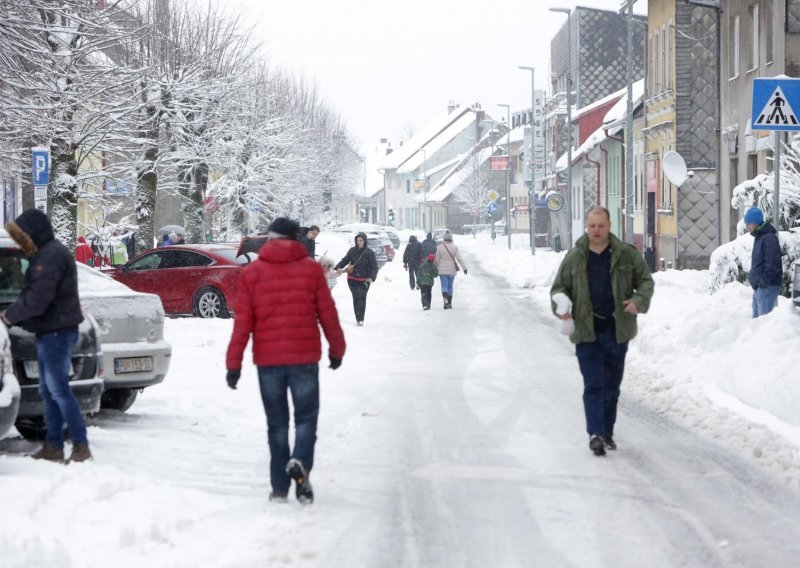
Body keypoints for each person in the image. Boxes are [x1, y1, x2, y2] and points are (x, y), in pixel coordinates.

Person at [225, 217, 346, 505]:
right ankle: (301, 461)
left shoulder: (252, 273)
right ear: (296, 240)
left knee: (277, 424)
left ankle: (279, 487)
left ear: (270, 239)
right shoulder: (311, 271)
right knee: (306, 418)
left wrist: (234, 364)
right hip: (304, 359)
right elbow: (327, 312)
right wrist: (337, 349)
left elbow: (243, 323)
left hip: (268, 362)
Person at [550, 206, 654, 457]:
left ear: (609, 226)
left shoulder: (625, 255)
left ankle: (607, 430)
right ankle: (595, 433)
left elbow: (645, 281)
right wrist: (561, 307)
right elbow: (557, 289)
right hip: (587, 332)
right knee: (593, 383)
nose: (596, 230)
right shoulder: (575, 256)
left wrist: (638, 302)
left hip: (617, 330)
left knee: (612, 385)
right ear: (587, 226)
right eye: (592, 225)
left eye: (601, 225)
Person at [1, 209, 92, 463]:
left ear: (33, 232)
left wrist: (8, 316)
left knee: (59, 390)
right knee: (50, 390)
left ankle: (80, 446)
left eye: (22, 235)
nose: (20, 241)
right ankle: (53, 445)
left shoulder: (50, 256)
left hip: (57, 333)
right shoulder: (46, 253)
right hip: (50, 331)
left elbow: (38, 298)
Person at [744, 207, 783, 318]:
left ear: (756, 222)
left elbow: (773, 264)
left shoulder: (768, 238)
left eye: (749, 223)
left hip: (766, 287)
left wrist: (763, 282)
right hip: (760, 288)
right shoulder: (760, 237)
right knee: (756, 325)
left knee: (763, 325)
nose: (747, 226)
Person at [334, 232, 378, 326]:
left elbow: (374, 266)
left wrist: (371, 277)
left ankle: (361, 318)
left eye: (361, 240)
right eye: (357, 240)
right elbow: (345, 260)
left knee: (362, 298)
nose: (359, 242)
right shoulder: (352, 250)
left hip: (365, 280)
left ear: (365, 241)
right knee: (356, 297)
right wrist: (338, 266)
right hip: (352, 279)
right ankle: (358, 318)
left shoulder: (369, 252)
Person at [434, 230, 467, 309]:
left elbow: (437, 259)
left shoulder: (439, 247)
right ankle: (449, 303)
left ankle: (445, 298)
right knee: (450, 286)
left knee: (444, 285)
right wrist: (464, 268)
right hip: (452, 271)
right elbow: (459, 259)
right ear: (451, 238)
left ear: (444, 238)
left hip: (442, 270)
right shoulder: (454, 247)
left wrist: (434, 267)